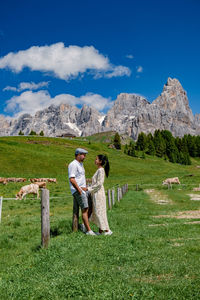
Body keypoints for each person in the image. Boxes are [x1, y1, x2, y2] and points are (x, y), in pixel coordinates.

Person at [68, 148, 95, 236]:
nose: (85, 156)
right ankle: (89, 231)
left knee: (91, 206)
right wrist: (79, 190)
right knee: (85, 209)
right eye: (83, 154)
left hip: (83, 189)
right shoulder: (73, 164)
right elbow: (72, 179)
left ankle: (84, 225)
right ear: (78, 155)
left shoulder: (81, 164)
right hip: (78, 190)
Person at [87, 155, 112, 235]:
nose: (95, 160)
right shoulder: (99, 170)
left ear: (100, 161)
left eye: (96, 159)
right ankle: (101, 231)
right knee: (99, 211)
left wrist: (88, 189)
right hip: (96, 193)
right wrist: (88, 180)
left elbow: (99, 184)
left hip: (99, 194)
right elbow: (96, 181)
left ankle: (107, 231)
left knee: (99, 212)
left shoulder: (101, 170)